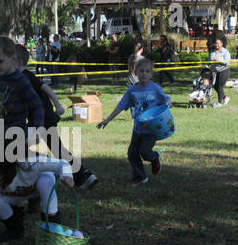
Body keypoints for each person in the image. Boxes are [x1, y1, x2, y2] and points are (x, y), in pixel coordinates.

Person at [14, 44, 98, 193]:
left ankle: (28, 182)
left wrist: (57, 104)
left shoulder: (26, 76)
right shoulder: (18, 78)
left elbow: (46, 88)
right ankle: (83, 175)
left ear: (19, 62)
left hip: (42, 119)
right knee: (56, 150)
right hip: (40, 119)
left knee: (19, 148)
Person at [97, 58, 172, 187]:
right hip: (138, 128)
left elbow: (166, 100)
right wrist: (107, 120)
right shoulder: (132, 90)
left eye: (147, 71)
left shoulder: (155, 88)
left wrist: (168, 103)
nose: (144, 74)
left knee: (144, 151)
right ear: (136, 73)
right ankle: (140, 177)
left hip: (151, 128)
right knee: (132, 153)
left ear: (151, 74)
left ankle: (154, 158)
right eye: (141, 71)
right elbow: (121, 106)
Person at [0, 36, 44, 137]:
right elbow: (0, 108)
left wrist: (38, 130)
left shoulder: (21, 80)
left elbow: (37, 106)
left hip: (17, 135)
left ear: (12, 58)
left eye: (0, 61)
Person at [209, 39, 231, 108]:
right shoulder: (212, 52)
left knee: (220, 87)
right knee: (215, 86)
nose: (217, 45)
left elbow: (227, 62)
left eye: (218, 43)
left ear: (221, 44)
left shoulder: (225, 51)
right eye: (216, 43)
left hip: (224, 71)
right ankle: (225, 98)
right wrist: (206, 66)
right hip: (215, 71)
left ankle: (219, 103)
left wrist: (219, 60)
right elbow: (209, 60)